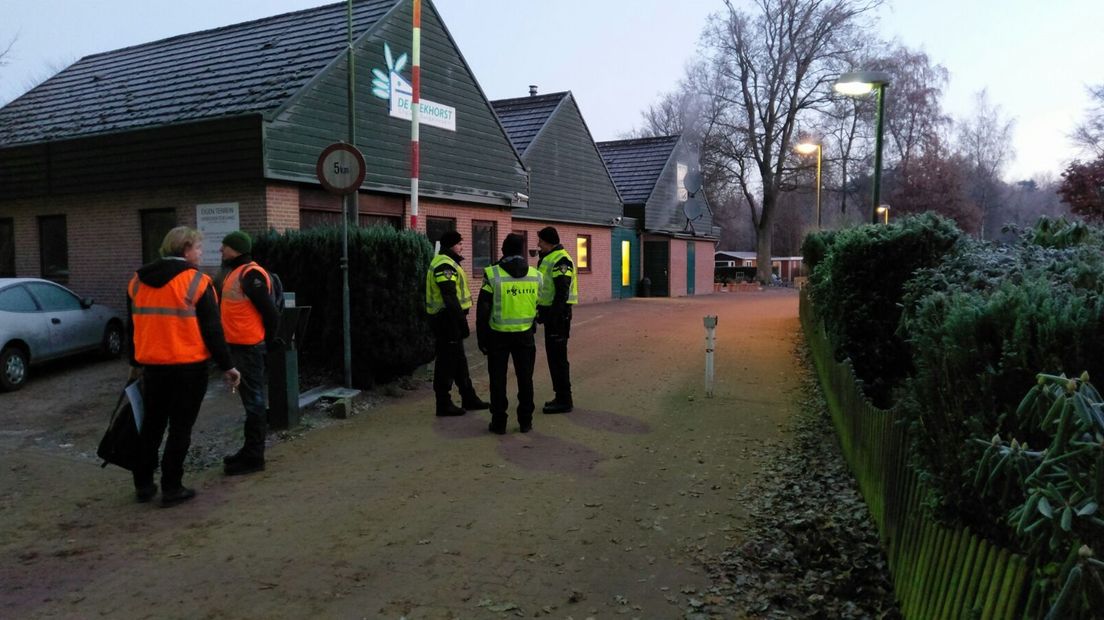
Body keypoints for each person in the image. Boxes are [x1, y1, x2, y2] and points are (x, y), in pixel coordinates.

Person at [127, 226, 240, 508]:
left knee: (151, 425)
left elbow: (133, 326)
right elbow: (213, 331)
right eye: (199, 248)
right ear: (186, 249)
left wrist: (134, 363)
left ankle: (143, 485)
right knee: (180, 428)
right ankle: (172, 487)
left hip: (152, 367)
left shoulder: (137, 282)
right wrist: (228, 366)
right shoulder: (198, 283)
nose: (201, 253)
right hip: (188, 368)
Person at [218, 231, 280, 476]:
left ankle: (254, 457)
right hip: (240, 347)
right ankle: (249, 451)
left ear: (236, 249)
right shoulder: (237, 273)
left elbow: (270, 312)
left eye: (225, 247)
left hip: (248, 348)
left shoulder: (249, 274)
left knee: (254, 403)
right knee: (250, 402)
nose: (221, 251)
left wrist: (269, 339)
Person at [476, 233, 543, 434]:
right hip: (525, 336)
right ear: (522, 251)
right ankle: (525, 422)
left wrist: (482, 337)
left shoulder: (492, 274)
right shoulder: (535, 275)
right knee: (525, 379)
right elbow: (538, 305)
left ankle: (499, 423)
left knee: (497, 380)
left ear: (503, 250)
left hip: (498, 335)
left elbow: (483, 310)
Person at [425, 230, 489, 416]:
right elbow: (449, 295)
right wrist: (461, 322)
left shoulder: (449, 263)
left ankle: (469, 397)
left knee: (459, 361)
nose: (462, 246)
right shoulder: (445, 265)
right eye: (460, 243)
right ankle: (443, 403)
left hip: (449, 319)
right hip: (446, 320)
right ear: (451, 245)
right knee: (446, 362)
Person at [535, 226, 578, 414]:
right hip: (553, 315)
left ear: (549, 242)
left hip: (558, 316)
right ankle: (560, 396)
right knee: (554, 357)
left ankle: (564, 399)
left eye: (541, 242)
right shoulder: (549, 258)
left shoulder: (561, 260)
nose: (538, 244)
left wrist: (551, 316)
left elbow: (562, 291)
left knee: (558, 358)